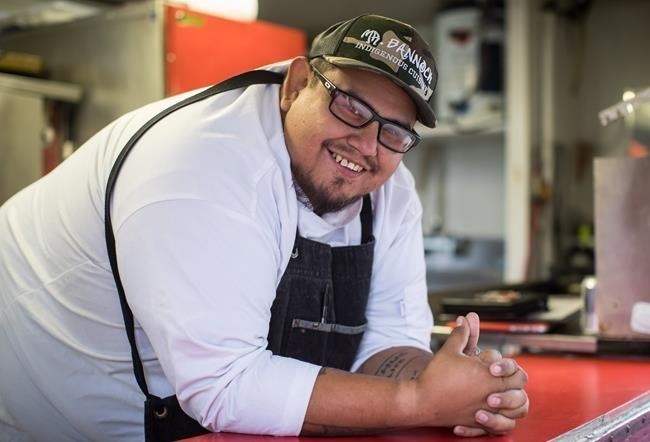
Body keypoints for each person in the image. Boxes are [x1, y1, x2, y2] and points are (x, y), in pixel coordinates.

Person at [0, 13, 528, 441]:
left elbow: (387, 342)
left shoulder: (389, 188)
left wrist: (465, 391)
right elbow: (224, 386)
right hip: (52, 418)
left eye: (394, 130)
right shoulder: (200, 166)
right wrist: (416, 402)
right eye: (350, 105)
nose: (367, 145)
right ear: (296, 85)